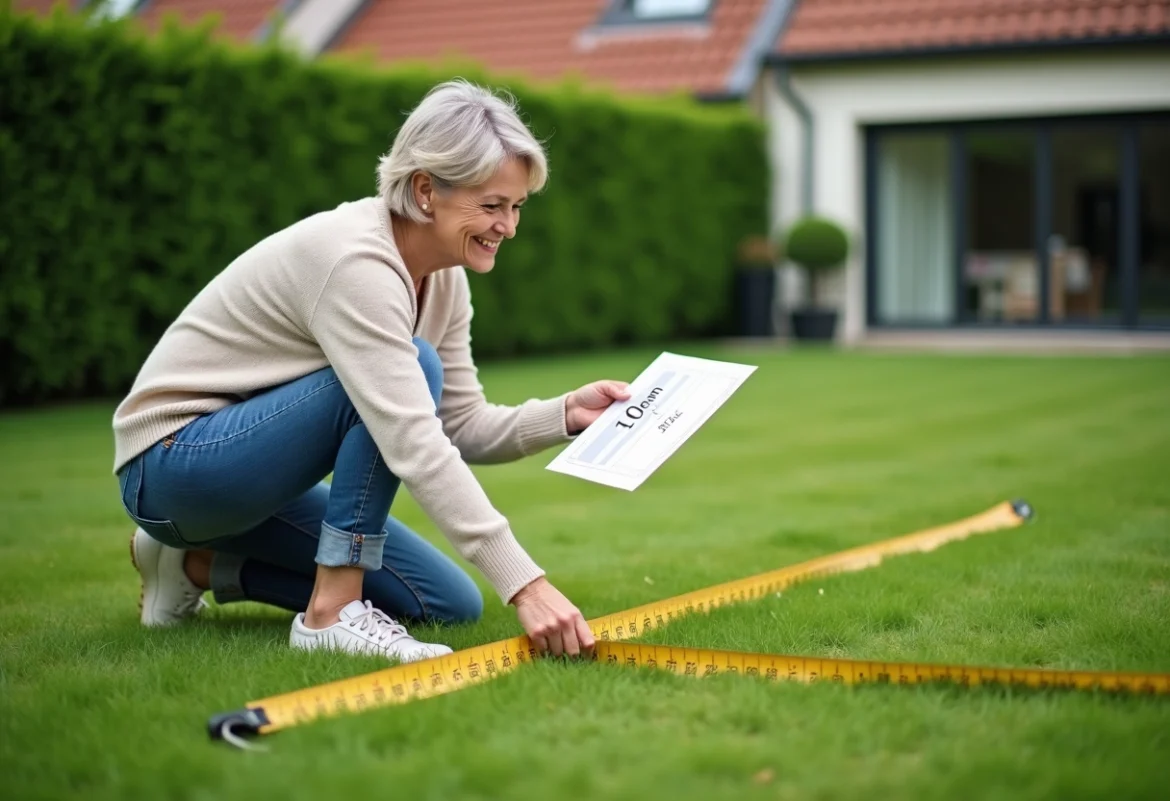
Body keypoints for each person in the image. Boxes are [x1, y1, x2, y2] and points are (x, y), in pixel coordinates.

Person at [112, 79, 630, 664]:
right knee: (415, 365)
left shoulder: (445, 277)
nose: (507, 226)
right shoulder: (356, 262)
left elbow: (458, 422)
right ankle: (330, 613)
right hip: (174, 466)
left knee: (446, 603)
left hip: (257, 481)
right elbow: (412, 439)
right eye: (490, 205)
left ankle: (195, 565)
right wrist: (526, 586)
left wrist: (563, 416)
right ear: (426, 190)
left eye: (516, 206)